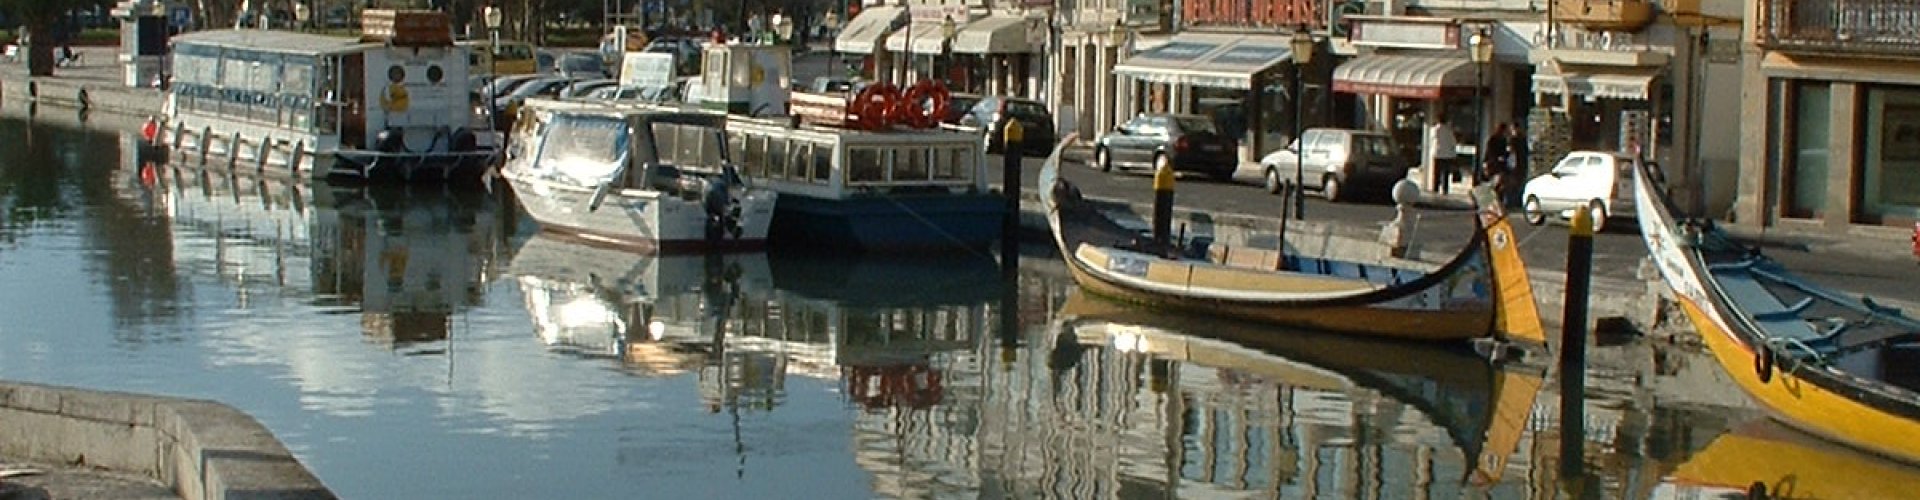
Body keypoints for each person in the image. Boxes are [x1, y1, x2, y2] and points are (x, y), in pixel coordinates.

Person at [1425, 117, 1458, 195]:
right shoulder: (1449, 131)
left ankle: (1435, 188)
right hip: (1447, 155)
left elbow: (1431, 140)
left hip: (1437, 153)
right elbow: (1453, 142)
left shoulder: (1434, 130)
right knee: (1445, 173)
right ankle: (1445, 189)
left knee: (1436, 173)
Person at [1505, 124, 1531, 208]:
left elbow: (1510, 151)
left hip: (1515, 166)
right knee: (1519, 184)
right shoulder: (1523, 139)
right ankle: (1517, 202)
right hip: (1521, 165)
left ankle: (1511, 202)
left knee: (1513, 184)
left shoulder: (1514, 140)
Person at [1481, 122, 1511, 187]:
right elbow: (1490, 152)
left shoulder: (1503, 139)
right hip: (1494, 164)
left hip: (1497, 164)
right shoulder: (1494, 139)